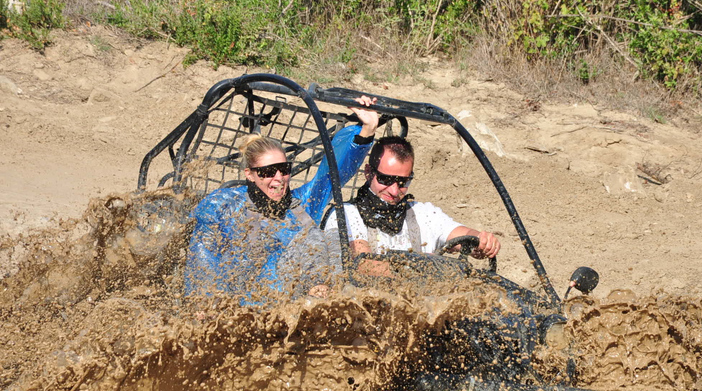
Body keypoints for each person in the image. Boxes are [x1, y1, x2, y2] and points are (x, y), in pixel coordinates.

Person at [184, 96, 379, 300]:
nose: (278, 179)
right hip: (243, 303)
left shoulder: (301, 203)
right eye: (268, 172)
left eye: (283, 169)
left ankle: (328, 304)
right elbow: (203, 257)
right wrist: (204, 306)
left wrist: (367, 130)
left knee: (330, 237)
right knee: (310, 239)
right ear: (249, 174)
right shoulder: (223, 205)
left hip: (299, 301)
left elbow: (332, 175)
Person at [323, 135, 500, 275]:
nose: (394, 190)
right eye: (385, 179)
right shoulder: (345, 214)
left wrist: (481, 241)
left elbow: (464, 235)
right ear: (369, 173)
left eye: (403, 182)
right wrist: (421, 266)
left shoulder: (424, 213)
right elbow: (365, 264)